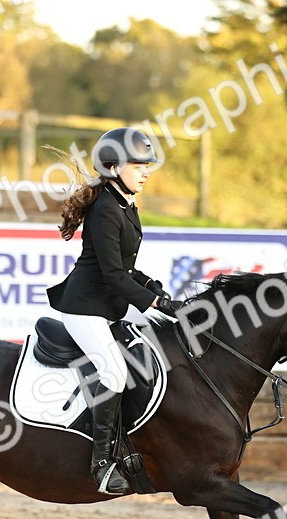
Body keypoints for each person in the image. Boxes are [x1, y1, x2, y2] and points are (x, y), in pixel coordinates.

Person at [47, 127, 185, 495]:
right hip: (85, 309)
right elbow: (113, 276)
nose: (146, 172)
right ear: (112, 167)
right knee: (115, 373)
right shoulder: (106, 209)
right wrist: (155, 302)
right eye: (138, 166)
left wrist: (156, 290)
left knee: (167, 338)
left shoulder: (124, 204)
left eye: (147, 166)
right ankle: (102, 463)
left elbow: (127, 269)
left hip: (109, 303)